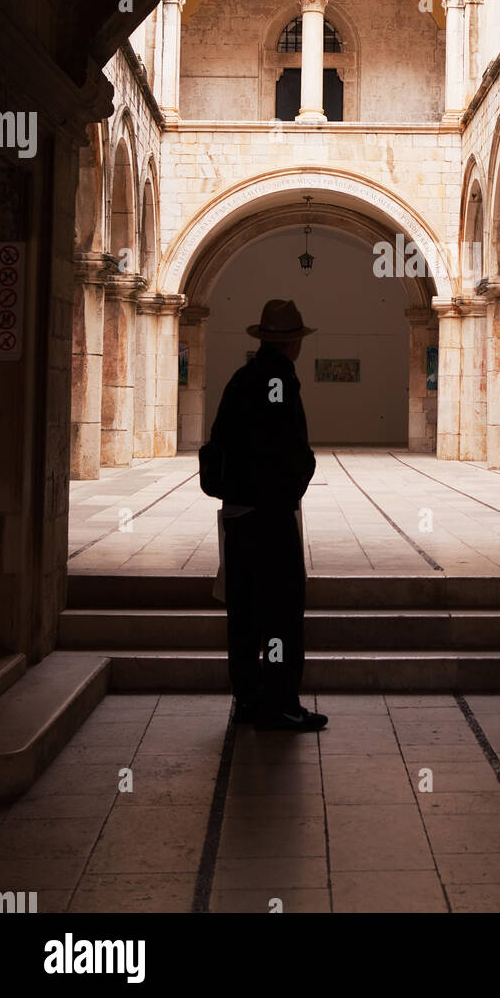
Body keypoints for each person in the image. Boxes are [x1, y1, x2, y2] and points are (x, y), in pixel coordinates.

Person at [209, 298, 327, 731]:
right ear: (293, 342)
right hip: (270, 518)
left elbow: (221, 441)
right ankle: (280, 701)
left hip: (239, 515)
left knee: (244, 613)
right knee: (279, 614)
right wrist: (299, 478)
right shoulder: (279, 381)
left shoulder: (242, 379)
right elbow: (286, 450)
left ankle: (246, 699)